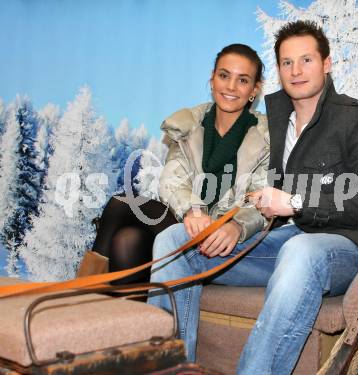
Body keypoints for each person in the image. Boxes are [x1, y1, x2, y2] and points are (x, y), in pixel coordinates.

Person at [149, 20, 358, 374]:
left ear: (327, 64)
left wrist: (297, 203)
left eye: (307, 60)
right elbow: (253, 192)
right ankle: (167, 366)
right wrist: (236, 227)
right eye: (287, 62)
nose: (296, 71)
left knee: (301, 251)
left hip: (349, 246)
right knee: (175, 240)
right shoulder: (274, 127)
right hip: (285, 241)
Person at [91, 43, 269, 284]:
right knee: (128, 238)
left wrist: (235, 225)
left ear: (255, 90)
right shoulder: (188, 125)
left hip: (221, 240)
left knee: (121, 205)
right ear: (212, 79)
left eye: (243, 80)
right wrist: (193, 210)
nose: (230, 86)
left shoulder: (267, 136)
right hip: (187, 223)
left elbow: (261, 199)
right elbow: (172, 181)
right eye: (224, 75)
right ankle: (126, 316)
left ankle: (85, 292)